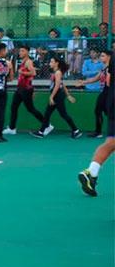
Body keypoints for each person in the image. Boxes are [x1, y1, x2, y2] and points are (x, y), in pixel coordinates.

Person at [78, 53, 115, 196]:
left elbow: (109, 81)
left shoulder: (112, 60)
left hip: (111, 102)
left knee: (111, 142)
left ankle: (91, 173)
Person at [31, 57, 81, 139]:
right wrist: (68, 95)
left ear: (56, 63)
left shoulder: (58, 72)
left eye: (51, 61)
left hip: (58, 96)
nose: (50, 63)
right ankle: (41, 132)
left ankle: (76, 130)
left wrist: (51, 96)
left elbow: (58, 85)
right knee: (47, 114)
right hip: (56, 95)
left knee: (63, 114)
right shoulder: (55, 72)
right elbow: (62, 84)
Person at [3, 45, 44, 135]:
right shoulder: (23, 61)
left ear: (27, 52)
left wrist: (22, 72)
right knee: (14, 107)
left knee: (31, 109)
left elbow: (33, 73)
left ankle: (46, 124)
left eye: (22, 51)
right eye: (20, 51)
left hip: (26, 89)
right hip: (20, 89)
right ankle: (12, 128)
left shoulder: (28, 62)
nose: (20, 52)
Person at [76, 49, 111, 138]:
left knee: (108, 112)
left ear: (109, 57)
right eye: (101, 56)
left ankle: (99, 132)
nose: (101, 57)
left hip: (110, 92)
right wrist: (83, 82)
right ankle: (98, 132)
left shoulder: (111, 68)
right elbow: (96, 78)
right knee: (99, 111)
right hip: (104, 92)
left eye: (103, 56)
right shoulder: (104, 68)